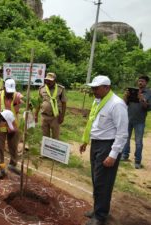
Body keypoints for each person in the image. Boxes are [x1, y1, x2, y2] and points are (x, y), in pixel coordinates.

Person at [79, 75, 128, 225]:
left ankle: (100, 216)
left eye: (96, 88)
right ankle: (97, 209)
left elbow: (122, 132)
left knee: (104, 182)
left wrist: (113, 154)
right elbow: (92, 122)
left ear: (107, 87)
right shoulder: (98, 101)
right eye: (93, 88)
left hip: (108, 145)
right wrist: (86, 141)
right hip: (96, 143)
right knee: (96, 179)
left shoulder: (117, 104)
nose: (94, 90)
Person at [0, 78, 23, 179]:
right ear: (4, 88)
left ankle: (12, 165)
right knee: (0, 148)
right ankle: (1, 168)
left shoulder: (17, 95)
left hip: (13, 125)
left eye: (12, 92)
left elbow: (23, 99)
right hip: (1, 126)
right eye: (8, 92)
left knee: (13, 147)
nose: (10, 94)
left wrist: (28, 102)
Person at [121, 75, 151, 169]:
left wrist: (141, 99)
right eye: (139, 81)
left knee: (138, 142)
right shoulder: (132, 91)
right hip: (128, 118)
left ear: (146, 83)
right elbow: (124, 103)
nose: (140, 82)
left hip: (140, 121)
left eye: (142, 81)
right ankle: (125, 155)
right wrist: (126, 96)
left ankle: (137, 161)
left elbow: (148, 107)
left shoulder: (149, 93)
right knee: (126, 138)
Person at [35, 72, 67, 139]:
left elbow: (64, 103)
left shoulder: (60, 89)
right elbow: (38, 102)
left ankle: (53, 149)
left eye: (50, 80)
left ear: (54, 80)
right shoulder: (41, 89)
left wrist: (62, 116)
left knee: (55, 138)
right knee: (45, 138)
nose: (48, 82)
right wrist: (36, 115)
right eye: (47, 80)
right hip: (44, 116)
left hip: (55, 117)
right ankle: (46, 149)